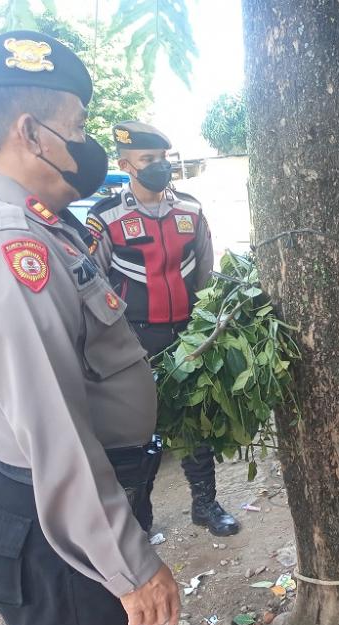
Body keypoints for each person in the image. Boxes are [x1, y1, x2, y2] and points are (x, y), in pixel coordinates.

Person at [0, 31, 180, 625]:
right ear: (30, 134)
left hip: (62, 518)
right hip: (57, 535)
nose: (85, 146)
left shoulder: (36, 225)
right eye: (76, 128)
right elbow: (53, 430)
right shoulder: (8, 248)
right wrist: (132, 564)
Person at [86, 121, 239, 537]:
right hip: (133, 339)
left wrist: (212, 324)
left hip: (188, 335)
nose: (159, 167)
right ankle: (139, 517)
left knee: (195, 421)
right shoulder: (106, 218)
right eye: (148, 160)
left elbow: (207, 276)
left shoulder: (191, 210)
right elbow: (91, 285)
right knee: (138, 431)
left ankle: (205, 505)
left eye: (163, 159)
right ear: (126, 165)